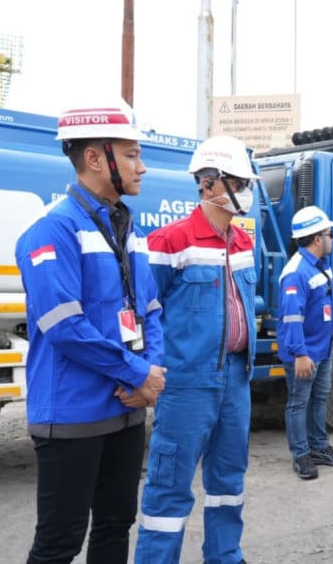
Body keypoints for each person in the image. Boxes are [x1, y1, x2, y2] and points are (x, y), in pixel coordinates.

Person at [14, 98, 167, 564]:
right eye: (132, 155)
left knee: (115, 526)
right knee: (59, 544)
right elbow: (65, 327)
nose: (142, 167)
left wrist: (150, 371)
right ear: (96, 158)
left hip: (126, 410)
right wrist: (137, 373)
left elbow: (151, 309)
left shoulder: (128, 229)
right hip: (72, 413)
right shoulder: (51, 230)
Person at [136, 135, 258, 564]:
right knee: (169, 487)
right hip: (187, 383)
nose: (244, 191)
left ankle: (225, 556)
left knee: (229, 482)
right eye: (237, 183)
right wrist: (143, 371)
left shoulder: (243, 242)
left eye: (245, 183)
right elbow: (141, 314)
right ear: (207, 183)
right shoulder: (170, 241)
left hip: (237, 379)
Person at [278, 206, 333, 480]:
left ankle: (318, 447)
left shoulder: (320, 264)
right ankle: (301, 455)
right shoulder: (297, 272)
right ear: (318, 238)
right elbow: (291, 317)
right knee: (299, 402)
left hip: (322, 348)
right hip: (305, 352)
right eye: (330, 234)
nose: (332, 239)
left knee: (319, 398)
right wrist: (299, 353)